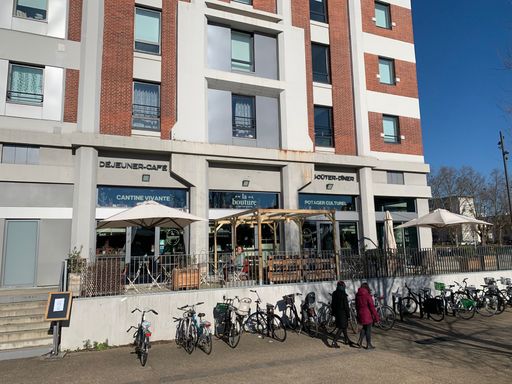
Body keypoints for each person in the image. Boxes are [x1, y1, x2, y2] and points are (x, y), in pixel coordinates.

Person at [355, 282, 380, 349]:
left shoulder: (357, 295)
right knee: (368, 330)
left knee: (364, 328)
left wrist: (358, 314)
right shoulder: (367, 295)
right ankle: (368, 345)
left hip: (360, 314)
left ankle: (360, 342)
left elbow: (356, 306)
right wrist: (377, 318)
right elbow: (372, 307)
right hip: (367, 315)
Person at [330, 280, 354, 348]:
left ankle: (347, 340)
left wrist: (333, 313)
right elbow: (346, 306)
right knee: (341, 327)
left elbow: (333, 304)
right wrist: (348, 315)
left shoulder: (334, 293)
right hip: (343, 313)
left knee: (344, 327)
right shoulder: (343, 294)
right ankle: (334, 342)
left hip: (337, 313)